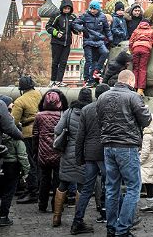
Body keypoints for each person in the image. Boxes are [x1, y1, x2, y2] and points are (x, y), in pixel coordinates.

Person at [97, 70, 151, 237]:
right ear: (131, 81)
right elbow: (145, 120)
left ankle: (111, 228)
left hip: (108, 146)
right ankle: (123, 229)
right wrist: (146, 110)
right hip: (127, 146)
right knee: (133, 187)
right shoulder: (133, 97)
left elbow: (100, 120)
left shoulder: (102, 97)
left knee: (112, 188)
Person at [72, 83, 111, 235]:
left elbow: (80, 135)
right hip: (104, 153)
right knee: (111, 185)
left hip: (89, 153)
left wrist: (78, 156)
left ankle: (77, 221)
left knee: (87, 188)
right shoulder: (108, 109)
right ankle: (117, 217)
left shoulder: (86, 109)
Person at [0, 99, 29, 228]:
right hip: (13, 167)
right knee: (8, 192)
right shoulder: (17, 139)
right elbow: (22, 156)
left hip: (0, 164)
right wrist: (26, 171)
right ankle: (4, 217)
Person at [52, 88, 92, 227]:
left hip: (68, 152)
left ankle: (56, 217)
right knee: (81, 186)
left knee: (63, 183)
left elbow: (57, 130)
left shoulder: (69, 112)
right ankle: (78, 218)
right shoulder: (91, 112)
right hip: (84, 153)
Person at [34, 89, 68, 214]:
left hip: (43, 152)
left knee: (44, 179)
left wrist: (35, 151)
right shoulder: (63, 115)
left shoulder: (39, 116)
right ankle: (56, 206)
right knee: (58, 180)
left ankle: (42, 204)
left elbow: (35, 135)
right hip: (59, 152)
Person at [13, 75, 42, 205]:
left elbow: (14, 121)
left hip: (28, 134)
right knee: (39, 162)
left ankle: (32, 191)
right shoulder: (40, 94)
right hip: (41, 132)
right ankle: (38, 188)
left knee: (30, 163)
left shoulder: (20, 101)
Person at [73, 0, 112, 86]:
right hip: (88, 41)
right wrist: (82, 29)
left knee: (105, 52)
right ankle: (87, 79)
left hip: (99, 41)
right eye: (91, 8)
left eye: (94, 9)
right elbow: (75, 23)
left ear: (98, 9)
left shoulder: (102, 17)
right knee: (89, 60)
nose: (92, 10)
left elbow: (107, 29)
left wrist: (110, 38)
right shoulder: (85, 16)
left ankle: (96, 71)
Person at [46, 0, 78, 86]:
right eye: (65, 8)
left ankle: (59, 81)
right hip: (57, 42)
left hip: (67, 43)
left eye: (68, 8)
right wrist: (56, 33)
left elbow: (74, 28)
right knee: (55, 62)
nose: (67, 10)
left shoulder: (72, 17)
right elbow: (48, 26)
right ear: (62, 8)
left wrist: (78, 30)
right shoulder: (57, 16)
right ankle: (52, 81)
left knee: (63, 62)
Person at [128, 19, 153, 95]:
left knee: (135, 68)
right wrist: (149, 42)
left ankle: (133, 86)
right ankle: (140, 89)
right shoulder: (151, 31)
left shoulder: (136, 30)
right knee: (142, 68)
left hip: (136, 49)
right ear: (148, 24)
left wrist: (131, 49)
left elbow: (131, 42)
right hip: (145, 49)